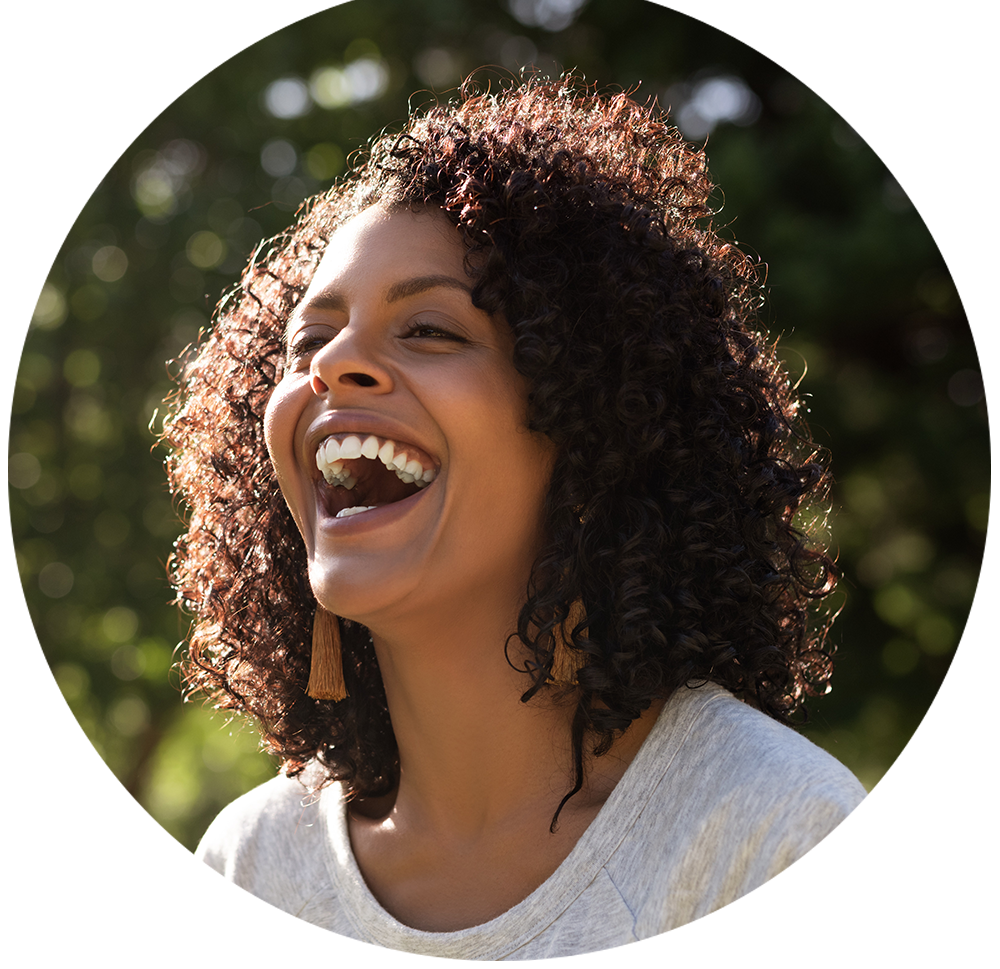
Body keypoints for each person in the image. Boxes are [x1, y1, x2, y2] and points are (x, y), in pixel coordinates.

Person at [158, 77, 943, 960]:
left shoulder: (769, 831)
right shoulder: (252, 866)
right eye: (309, 340)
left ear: (592, 424)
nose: (335, 366)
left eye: (430, 330)